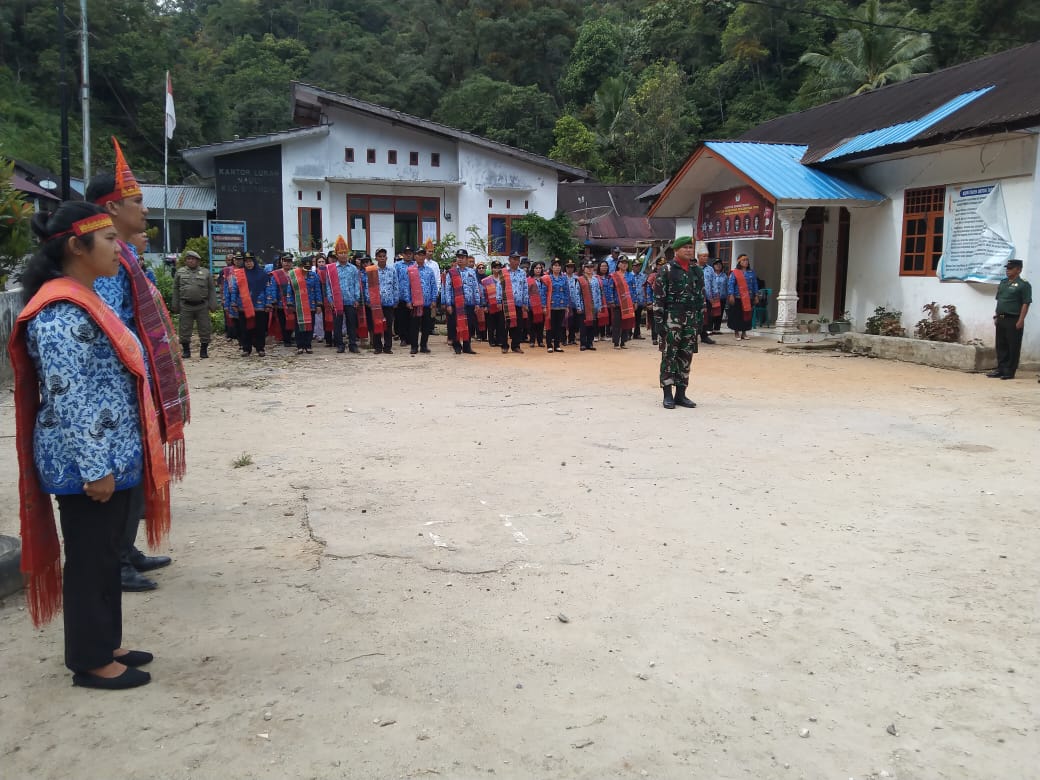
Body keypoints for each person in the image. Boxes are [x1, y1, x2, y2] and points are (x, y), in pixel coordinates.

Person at [10, 200, 171, 689]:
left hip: (110, 453)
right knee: (89, 559)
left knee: (104, 555)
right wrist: (95, 467)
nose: (117, 248)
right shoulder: (60, 312)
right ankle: (89, 660)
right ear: (78, 248)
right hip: (87, 464)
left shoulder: (87, 296)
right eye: (107, 240)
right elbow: (69, 394)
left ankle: (108, 643)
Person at [86, 139, 185, 593]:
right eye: (137, 202)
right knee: (118, 476)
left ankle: (126, 551)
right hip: (116, 389)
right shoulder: (105, 263)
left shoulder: (125, 255)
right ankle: (115, 560)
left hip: (135, 386)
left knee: (132, 474)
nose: (144, 211)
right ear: (110, 208)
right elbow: (110, 327)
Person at [654, 236, 704, 409]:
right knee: (669, 355)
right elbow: (659, 298)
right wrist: (659, 322)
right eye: (685, 247)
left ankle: (681, 394)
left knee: (686, 356)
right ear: (676, 250)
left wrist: (700, 320)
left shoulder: (696, 271)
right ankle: (667, 394)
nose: (689, 250)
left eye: (691, 247)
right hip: (671, 319)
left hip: (690, 319)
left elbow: (700, 297)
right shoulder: (666, 270)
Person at [988, 258, 1031, 380]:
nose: (1008, 271)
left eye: (1011, 268)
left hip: (1014, 319)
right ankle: (1000, 369)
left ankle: (1009, 371)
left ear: (1019, 270)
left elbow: (1026, 303)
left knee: (1013, 346)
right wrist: (996, 316)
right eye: (1007, 268)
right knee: (1001, 345)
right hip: (1001, 318)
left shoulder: (1023, 285)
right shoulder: (1003, 283)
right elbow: (1000, 301)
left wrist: (1021, 320)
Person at [172, 250, 216, 359]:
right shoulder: (180, 272)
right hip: (186, 305)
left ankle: (204, 350)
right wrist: (175, 305)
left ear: (198, 261)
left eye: (193, 259)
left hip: (202, 305)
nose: (190, 261)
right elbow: (175, 289)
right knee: (184, 328)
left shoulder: (205, 272)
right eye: (188, 259)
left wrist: (213, 304)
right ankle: (186, 351)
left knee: (205, 328)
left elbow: (211, 289)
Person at [227, 252, 270, 356]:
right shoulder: (240, 274)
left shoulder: (262, 274)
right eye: (246, 261)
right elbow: (235, 289)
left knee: (260, 328)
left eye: (250, 261)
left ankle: (260, 348)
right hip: (243, 305)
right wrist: (233, 302)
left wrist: (268, 303)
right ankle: (246, 348)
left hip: (259, 305)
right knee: (245, 328)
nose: (248, 263)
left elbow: (267, 289)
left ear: (254, 262)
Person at [327, 236, 362, 354]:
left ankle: (353, 344)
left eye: (345, 253)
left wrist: (357, 298)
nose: (343, 255)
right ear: (337, 255)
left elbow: (357, 284)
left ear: (348, 254)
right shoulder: (331, 269)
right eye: (340, 253)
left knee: (352, 323)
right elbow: (328, 285)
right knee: (337, 324)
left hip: (350, 300)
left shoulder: (353, 269)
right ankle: (340, 345)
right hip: (337, 301)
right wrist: (330, 299)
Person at [442, 249, 479, 355]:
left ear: (467, 259)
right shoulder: (452, 272)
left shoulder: (471, 272)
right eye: (458, 257)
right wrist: (448, 304)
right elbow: (448, 289)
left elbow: (475, 288)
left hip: (469, 303)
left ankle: (467, 346)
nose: (460, 259)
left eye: (462, 257)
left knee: (469, 325)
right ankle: (457, 346)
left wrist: (477, 303)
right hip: (456, 304)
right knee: (455, 325)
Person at [403, 246, 438, 354]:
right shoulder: (410, 270)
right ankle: (414, 346)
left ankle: (423, 345)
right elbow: (406, 286)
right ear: (415, 256)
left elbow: (434, 286)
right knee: (414, 326)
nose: (421, 256)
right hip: (415, 303)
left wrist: (433, 300)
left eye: (423, 254)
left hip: (427, 303)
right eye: (418, 254)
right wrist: (408, 301)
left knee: (426, 326)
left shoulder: (429, 270)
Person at [367, 248, 399, 354]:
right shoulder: (371, 270)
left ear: (386, 257)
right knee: (377, 324)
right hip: (376, 303)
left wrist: (396, 299)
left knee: (388, 325)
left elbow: (395, 285)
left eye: (383, 256)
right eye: (379, 256)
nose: (381, 258)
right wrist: (369, 300)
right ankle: (377, 347)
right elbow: (368, 286)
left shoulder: (392, 270)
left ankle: (388, 347)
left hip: (389, 302)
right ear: (376, 258)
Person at [289, 257, 322, 354]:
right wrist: (290, 303)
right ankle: (300, 345)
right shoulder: (294, 275)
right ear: (301, 266)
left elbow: (317, 290)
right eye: (305, 266)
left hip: (311, 304)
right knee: (299, 326)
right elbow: (289, 290)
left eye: (309, 266)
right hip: (298, 305)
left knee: (309, 325)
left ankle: (308, 345)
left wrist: (318, 304)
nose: (307, 268)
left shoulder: (314, 276)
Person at [502, 251, 530, 353]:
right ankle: (504, 346)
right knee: (505, 325)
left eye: (518, 259)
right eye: (514, 259)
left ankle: (516, 345)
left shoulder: (522, 273)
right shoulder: (503, 272)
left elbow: (525, 288)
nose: (516, 261)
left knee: (518, 325)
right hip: (506, 303)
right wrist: (497, 300)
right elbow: (498, 287)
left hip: (518, 303)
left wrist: (525, 303)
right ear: (509, 260)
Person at [727, 253, 758, 340]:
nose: (746, 262)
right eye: (743, 260)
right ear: (739, 262)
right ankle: (736, 333)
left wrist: (756, 295)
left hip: (749, 297)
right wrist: (731, 295)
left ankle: (744, 333)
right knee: (737, 315)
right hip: (738, 297)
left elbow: (755, 284)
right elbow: (731, 284)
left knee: (747, 315)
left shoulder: (752, 272)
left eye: (747, 260)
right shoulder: (735, 272)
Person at [574, 260, 603, 351]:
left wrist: (599, 306)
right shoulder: (580, 280)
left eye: (591, 267)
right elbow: (577, 294)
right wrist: (578, 306)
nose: (589, 269)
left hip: (593, 306)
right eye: (587, 267)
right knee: (583, 326)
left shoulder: (596, 280)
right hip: (584, 306)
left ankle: (590, 343)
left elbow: (599, 293)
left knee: (592, 325)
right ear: (584, 268)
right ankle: (583, 343)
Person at [269, 253, 297, 347]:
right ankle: (286, 340)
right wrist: (274, 301)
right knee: (283, 322)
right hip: (281, 302)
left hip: (293, 301)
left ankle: (291, 337)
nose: (287, 263)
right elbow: (273, 288)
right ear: (281, 262)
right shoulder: (276, 274)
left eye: (289, 261)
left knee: (293, 320)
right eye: (285, 261)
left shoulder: (295, 273)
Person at [609, 256, 637, 349]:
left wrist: (635, 301)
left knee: (626, 322)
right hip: (618, 302)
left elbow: (633, 289)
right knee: (617, 323)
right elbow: (610, 289)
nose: (624, 264)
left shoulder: (631, 276)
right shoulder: (614, 276)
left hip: (628, 303)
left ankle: (623, 342)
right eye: (622, 262)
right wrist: (611, 300)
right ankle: (616, 342)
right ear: (618, 264)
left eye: (626, 263)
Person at [545, 259, 569, 353]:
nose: (557, 267)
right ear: (551, 267)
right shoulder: (548, 278)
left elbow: (567, 292)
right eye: (555, 265)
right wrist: (544, 305)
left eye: (559, 266)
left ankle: (557, 345)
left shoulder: (564, 278)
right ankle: (549, 345)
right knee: (550, 325)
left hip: (561, 305)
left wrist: (567, 304)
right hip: (551, 305)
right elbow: (544, 292)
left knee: (559, 326)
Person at [481, 261, 505, 350]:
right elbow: (483, 294)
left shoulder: (503, 279)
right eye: (495, 267)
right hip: (490, 305)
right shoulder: (486, 280)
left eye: (499, 267)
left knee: (500, 323)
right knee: (491, 324)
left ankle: (499, 340)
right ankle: (491, 340)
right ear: (492, 268)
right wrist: (484, 305)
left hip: (501, 305)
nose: (497, 269)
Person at [527, 260, 547, 349]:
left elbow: (547, 292)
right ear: (533, 269)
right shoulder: (529, 280)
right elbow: (526, 293)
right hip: (532, 305)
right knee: (532, 324)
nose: (538, 270)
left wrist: (545, 304)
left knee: (541, 324)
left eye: (540, 268)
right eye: (536, 268)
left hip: (542, 304)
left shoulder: (545, 280)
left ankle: (540, 341)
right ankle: (532, 341)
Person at [564, 259, 580, 345]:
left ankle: (572, 338)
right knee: (564, 322)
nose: (570, 269)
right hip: (565, 303)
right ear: (565, 268)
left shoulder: (577, 279)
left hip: (574, 303)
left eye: (571, 267)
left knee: (573, 322)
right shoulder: (562, 277)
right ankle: (563, 339)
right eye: (568, 267)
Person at [709, 259, 726, 332]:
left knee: (720, 313)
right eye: (716, 264)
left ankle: (717, 329)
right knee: (712, 313)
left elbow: (727, 286)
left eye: (720, 264)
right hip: (713, 297)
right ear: (713, 266)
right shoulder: (711, 274)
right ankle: (709, 328)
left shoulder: (724, 275)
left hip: (722, 297)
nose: (718, 266)